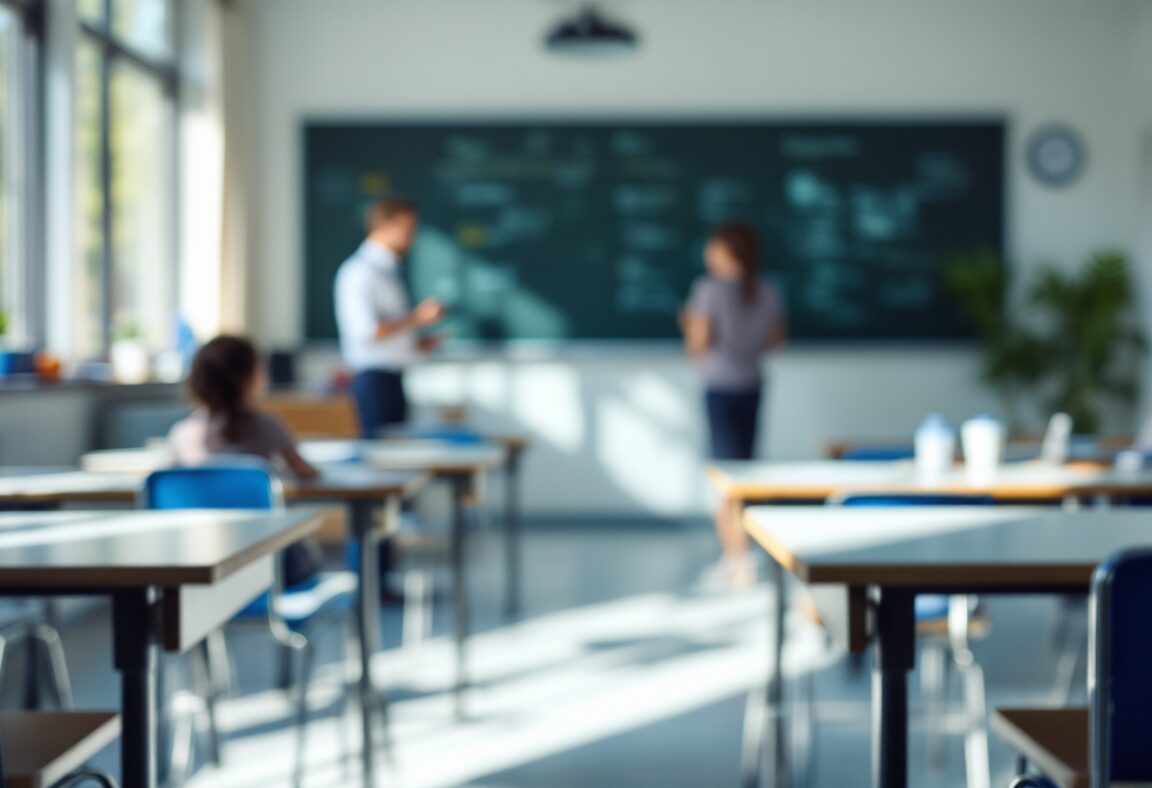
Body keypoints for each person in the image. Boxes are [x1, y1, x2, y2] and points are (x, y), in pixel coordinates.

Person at [681, 223, 787, 588]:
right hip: (753, 385)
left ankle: (737, 559)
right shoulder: (767, 289)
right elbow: (775, 340)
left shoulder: (707, 290)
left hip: (721, 388)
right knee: (745, 472)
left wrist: (689, 327)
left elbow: (699, 345)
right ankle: (741, 555)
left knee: (725, 477)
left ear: (726, 251)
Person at [169, 335, 323, 583]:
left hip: (197, 569)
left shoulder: (180, 435)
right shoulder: (268, 426)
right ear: (252, 379)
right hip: (269, 569)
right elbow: (307, 472)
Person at [334, 198, 446, 438]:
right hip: (374, 383)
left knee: (397, 459)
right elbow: (366, 332)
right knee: (380, 462)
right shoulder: (359, 271)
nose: (412, 238)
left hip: (393, 380)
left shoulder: (389, 270)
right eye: (407, 230)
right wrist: (417, 318)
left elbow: (387, 333)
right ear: (384, 227)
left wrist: (415, 344)